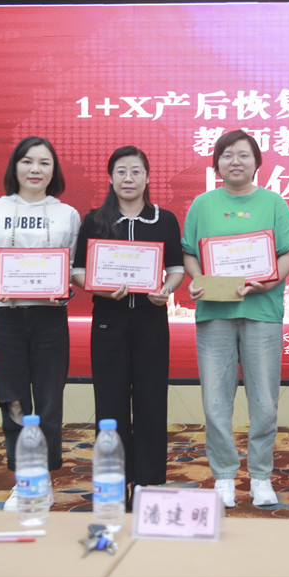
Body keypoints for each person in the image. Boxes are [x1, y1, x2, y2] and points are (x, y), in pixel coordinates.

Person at [181, 130, 289, 508]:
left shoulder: (273, 202)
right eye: (227, 155)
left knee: (264, 400)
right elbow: (189, 253)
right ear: (216, 163)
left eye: (244, 155)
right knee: (216, 401)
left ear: (256, 162)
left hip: (261, 311)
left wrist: (269, 283)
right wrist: (199, 280)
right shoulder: (203, 204)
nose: (235, 162)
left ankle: (261, 476)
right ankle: (224, 476)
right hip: (215, 312)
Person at [0, 136, 81, 510]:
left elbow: (73, 268)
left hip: (49, 318)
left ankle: (43, 479)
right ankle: (23, 479)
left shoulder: (67, 214)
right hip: (5, 317)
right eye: (27, 161)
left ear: (54, 171)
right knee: (13, 399)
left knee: (48, 400)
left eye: (44, 163)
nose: (35, 169)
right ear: (15, 166)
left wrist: (64, 288)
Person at [71, 146, 184, 500]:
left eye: (136, 171)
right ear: (110, 177)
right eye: (121, 171)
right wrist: (101, 289)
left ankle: (148, 481)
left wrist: (166, 289)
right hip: (109, 321)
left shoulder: (164, 220)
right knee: (110, 402)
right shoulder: (94, 221)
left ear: (147, 177)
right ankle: (114, 482)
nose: (128, 178)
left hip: (151, 321)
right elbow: (77, 271)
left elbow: (176, 268)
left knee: (152, 401)